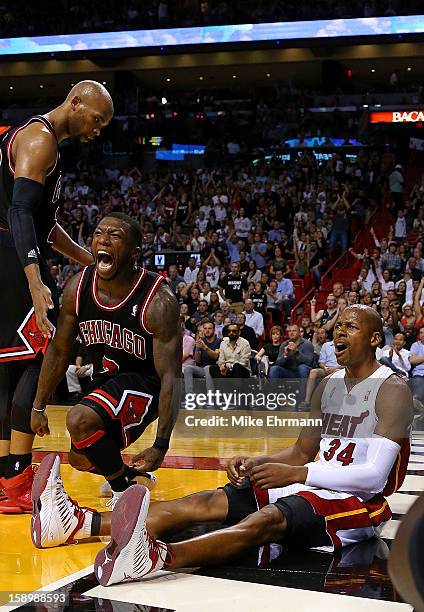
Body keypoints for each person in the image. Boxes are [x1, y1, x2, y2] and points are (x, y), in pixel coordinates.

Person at [31, 305, 412, 591]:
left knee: (266, 521)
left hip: (359, 502)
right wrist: (259, 462)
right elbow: (301, 450)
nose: (338, 332)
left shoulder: (392, 389)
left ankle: (154, 558)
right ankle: (76, 524)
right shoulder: (327, 383)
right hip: (312, 482)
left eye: (351, 326)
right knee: (207, 502)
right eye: (337, 325)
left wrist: (298, 474)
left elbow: (373, 477)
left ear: (375, 338)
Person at [0, 80, 113, 513]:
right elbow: (20, 211)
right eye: (96, 119)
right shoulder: (40, 138)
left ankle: (6, 476)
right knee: (42, 352)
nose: (97, 130)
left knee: (9, 366)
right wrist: (33, 278)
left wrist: (88, 259)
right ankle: (19, 476)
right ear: (76, 102)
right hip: (11, 257)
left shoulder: (39, 141)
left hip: (10, 251)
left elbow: (45, 227)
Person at [29, 213, 181, 508]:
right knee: (81, 459)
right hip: (106, 381)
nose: (104, 240)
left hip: (145, 384)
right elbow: (59, 351)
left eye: (115, 236)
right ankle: (131, 480)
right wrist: (38, 405)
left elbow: (172, 377)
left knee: (79, 420)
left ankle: (123, 496)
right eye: (99, 233)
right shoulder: (78, 287)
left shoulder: (158, 301)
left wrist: (161, 445)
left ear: (134, 253)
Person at [183, 320, 221, 396]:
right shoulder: (201, 341)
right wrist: (197, 348)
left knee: (207, 368)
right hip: (202, 369)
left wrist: (204, 347)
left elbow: (215, 356)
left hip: (215, 368)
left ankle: (211, 396)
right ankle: (190, 396)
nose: (207, 331)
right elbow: (197, 360)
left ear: (214, 330)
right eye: (205, 328)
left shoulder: (219, 341)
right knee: (188, 368)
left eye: (209, 328)